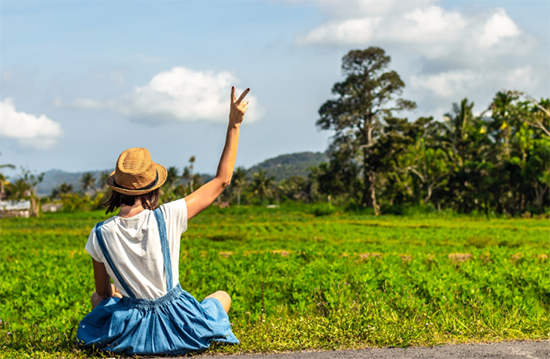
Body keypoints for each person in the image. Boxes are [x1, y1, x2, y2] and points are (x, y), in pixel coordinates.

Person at [76, 87, 250, 355]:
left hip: (132, 330)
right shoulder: (168, 215)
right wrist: (234, 124)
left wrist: (123, 292)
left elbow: (102, 293)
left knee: (99, 297)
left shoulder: (100, 234)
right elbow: (222, 180)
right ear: (153, 188)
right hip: (182, 325)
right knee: (221, 297)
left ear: (117, 189)